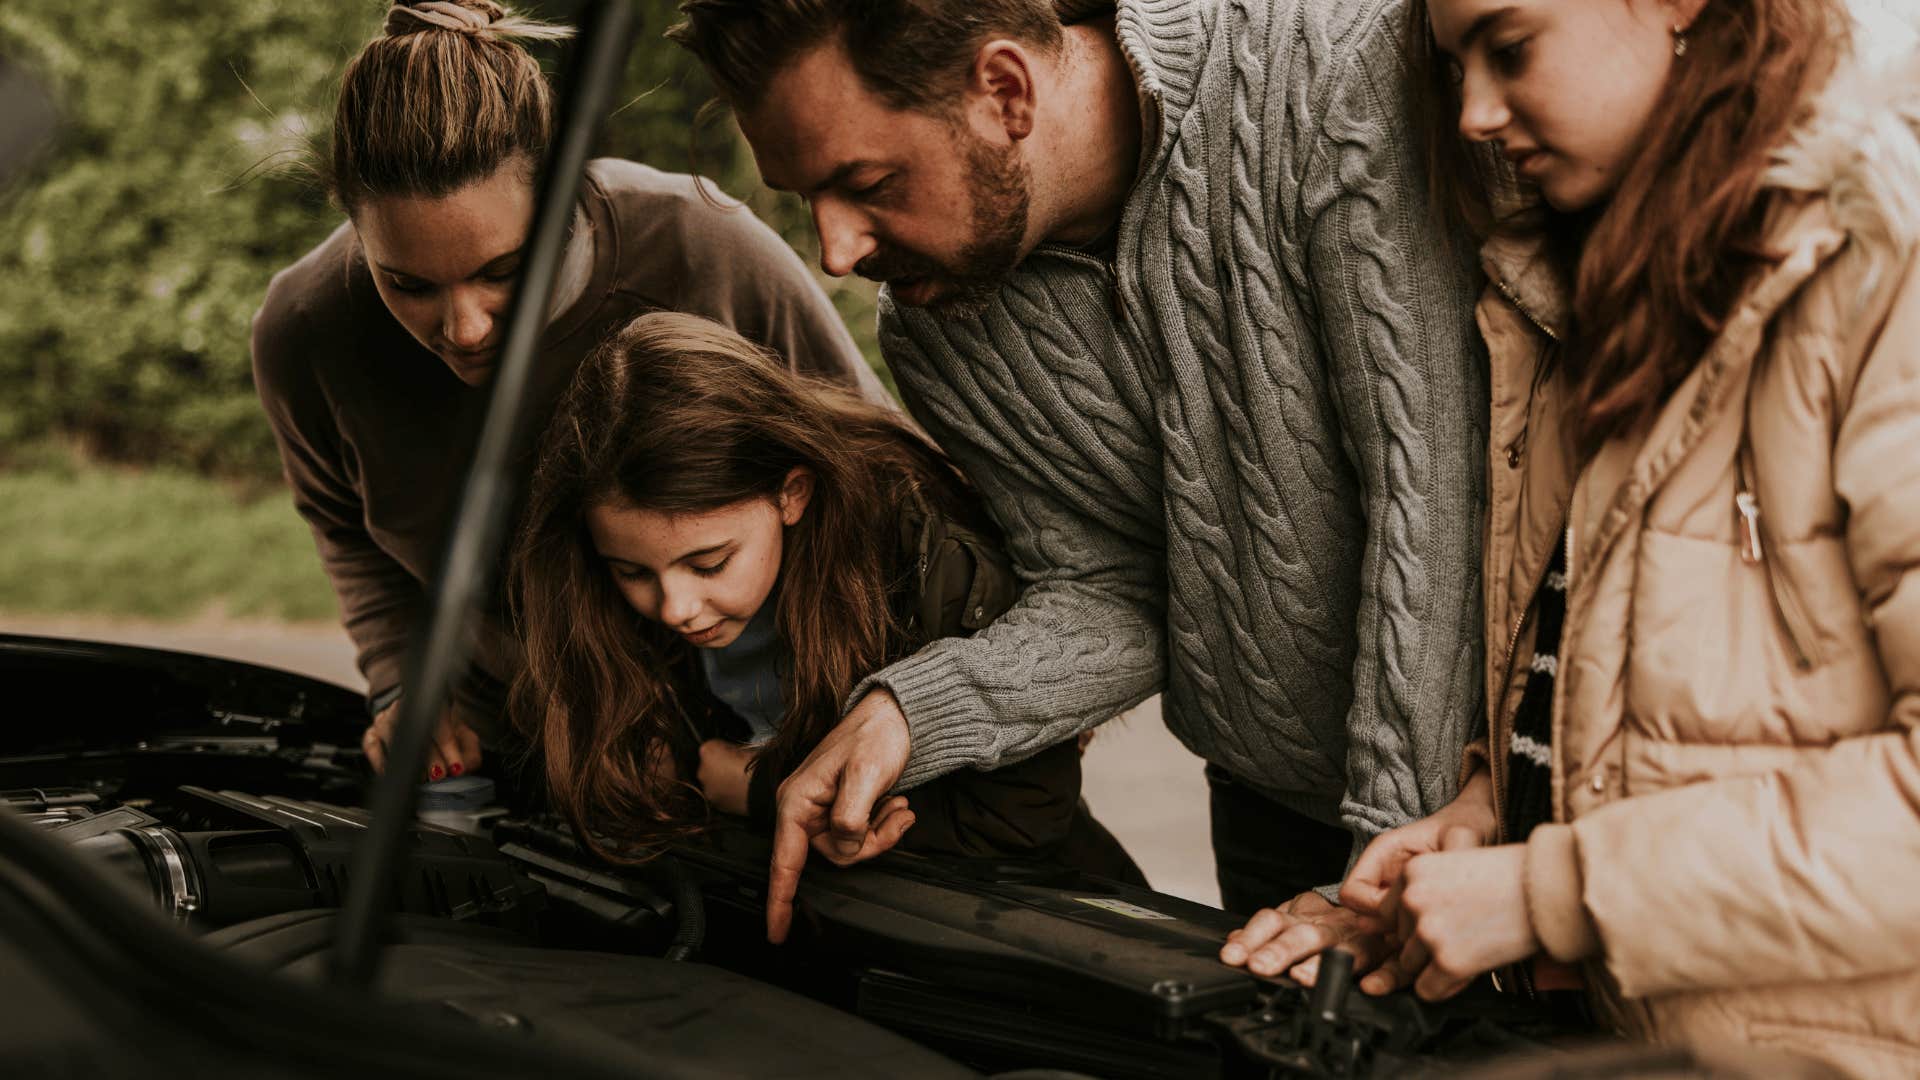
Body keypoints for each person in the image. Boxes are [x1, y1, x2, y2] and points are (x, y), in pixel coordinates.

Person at [669, 0, 1489, 951]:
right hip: (1268, 809)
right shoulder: (937, 328)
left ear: (1006, 90)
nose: (837, 251)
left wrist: (1382, 870)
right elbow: (1114, 587)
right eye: (803, 197)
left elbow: (1430, 512)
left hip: (1488, 805)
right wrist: (913, 711)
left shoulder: (1325, 84)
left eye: (867, 182)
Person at [1249, 0, 1920, 1072]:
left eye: (1510, 49)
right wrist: (1497, 810)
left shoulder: (1886, 256)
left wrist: (1549, 894)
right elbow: (1640, 673)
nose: (1471, 113)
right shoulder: (1594, 274)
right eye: (1456, 65)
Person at [250, 0, 888, 783]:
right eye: (408, 284)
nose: (467, 327)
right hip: (521, 747)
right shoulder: (305, 330)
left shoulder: (703, 248)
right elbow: (344, 527)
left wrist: (875, 717)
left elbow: (883, 488)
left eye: (503, 272)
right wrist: (403, 681)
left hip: (773, 742)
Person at [508, 310, 1143, 880]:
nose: (673, 608)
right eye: (632, 573)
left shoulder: (924, 557)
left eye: (709, 563)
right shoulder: (593, 588)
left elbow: (1022, 810)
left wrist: (760, 791)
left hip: (1023, 922)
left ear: (793, 494)